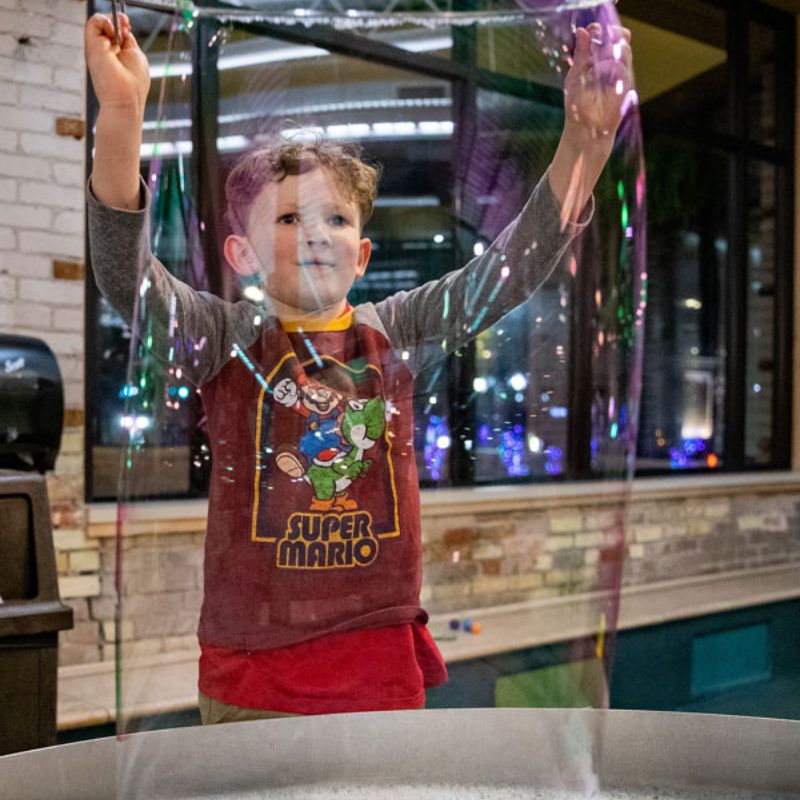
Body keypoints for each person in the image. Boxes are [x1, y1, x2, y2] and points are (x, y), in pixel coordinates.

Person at [84, 12, 632, 724]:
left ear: (363, 253)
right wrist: (124, 113)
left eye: (336, 220)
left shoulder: (392, 332)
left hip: (376, 662)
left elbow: (508, 271)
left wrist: (586, 140)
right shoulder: (224, 338)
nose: (315, 233)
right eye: (287, 220)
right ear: (241, 256)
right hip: (252, 673)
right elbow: (127, 277)